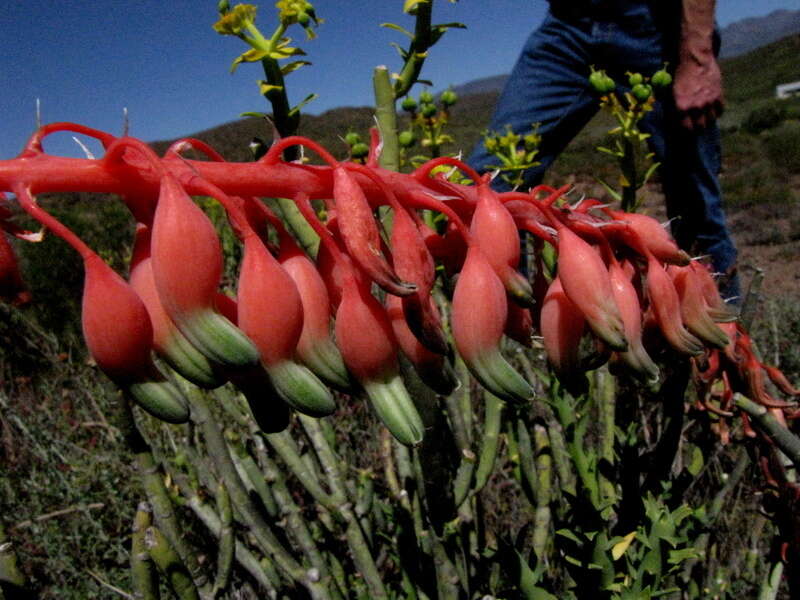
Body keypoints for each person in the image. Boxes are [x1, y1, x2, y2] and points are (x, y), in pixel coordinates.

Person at [467, 0, 740, 301]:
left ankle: (722, 338)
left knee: (697, 208)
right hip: (566, 25)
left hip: (655, 24)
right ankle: (518, 327)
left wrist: (698, 56)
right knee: (488, 184)